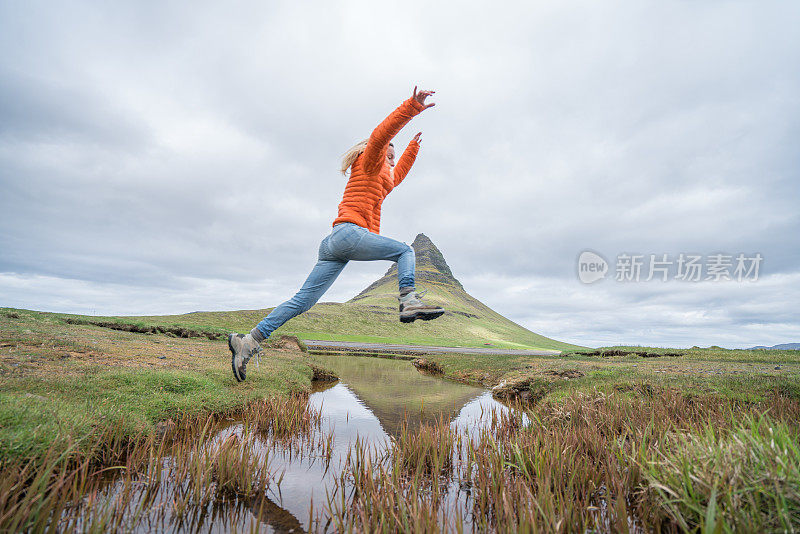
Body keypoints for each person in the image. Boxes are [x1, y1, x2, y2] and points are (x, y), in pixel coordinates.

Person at [228, 86, 445, 381]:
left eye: (393, 158)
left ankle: (248, 341)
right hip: (348, 233)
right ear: (374, 152)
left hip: (334, 243)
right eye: (388, 155)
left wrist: (412, 150)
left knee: (302, 301)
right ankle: (408, 300)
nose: (390, 160)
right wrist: (412, 107)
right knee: (405, 251)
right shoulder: (369, 162)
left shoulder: (384, 177)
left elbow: (397, 176)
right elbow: (382, 134)